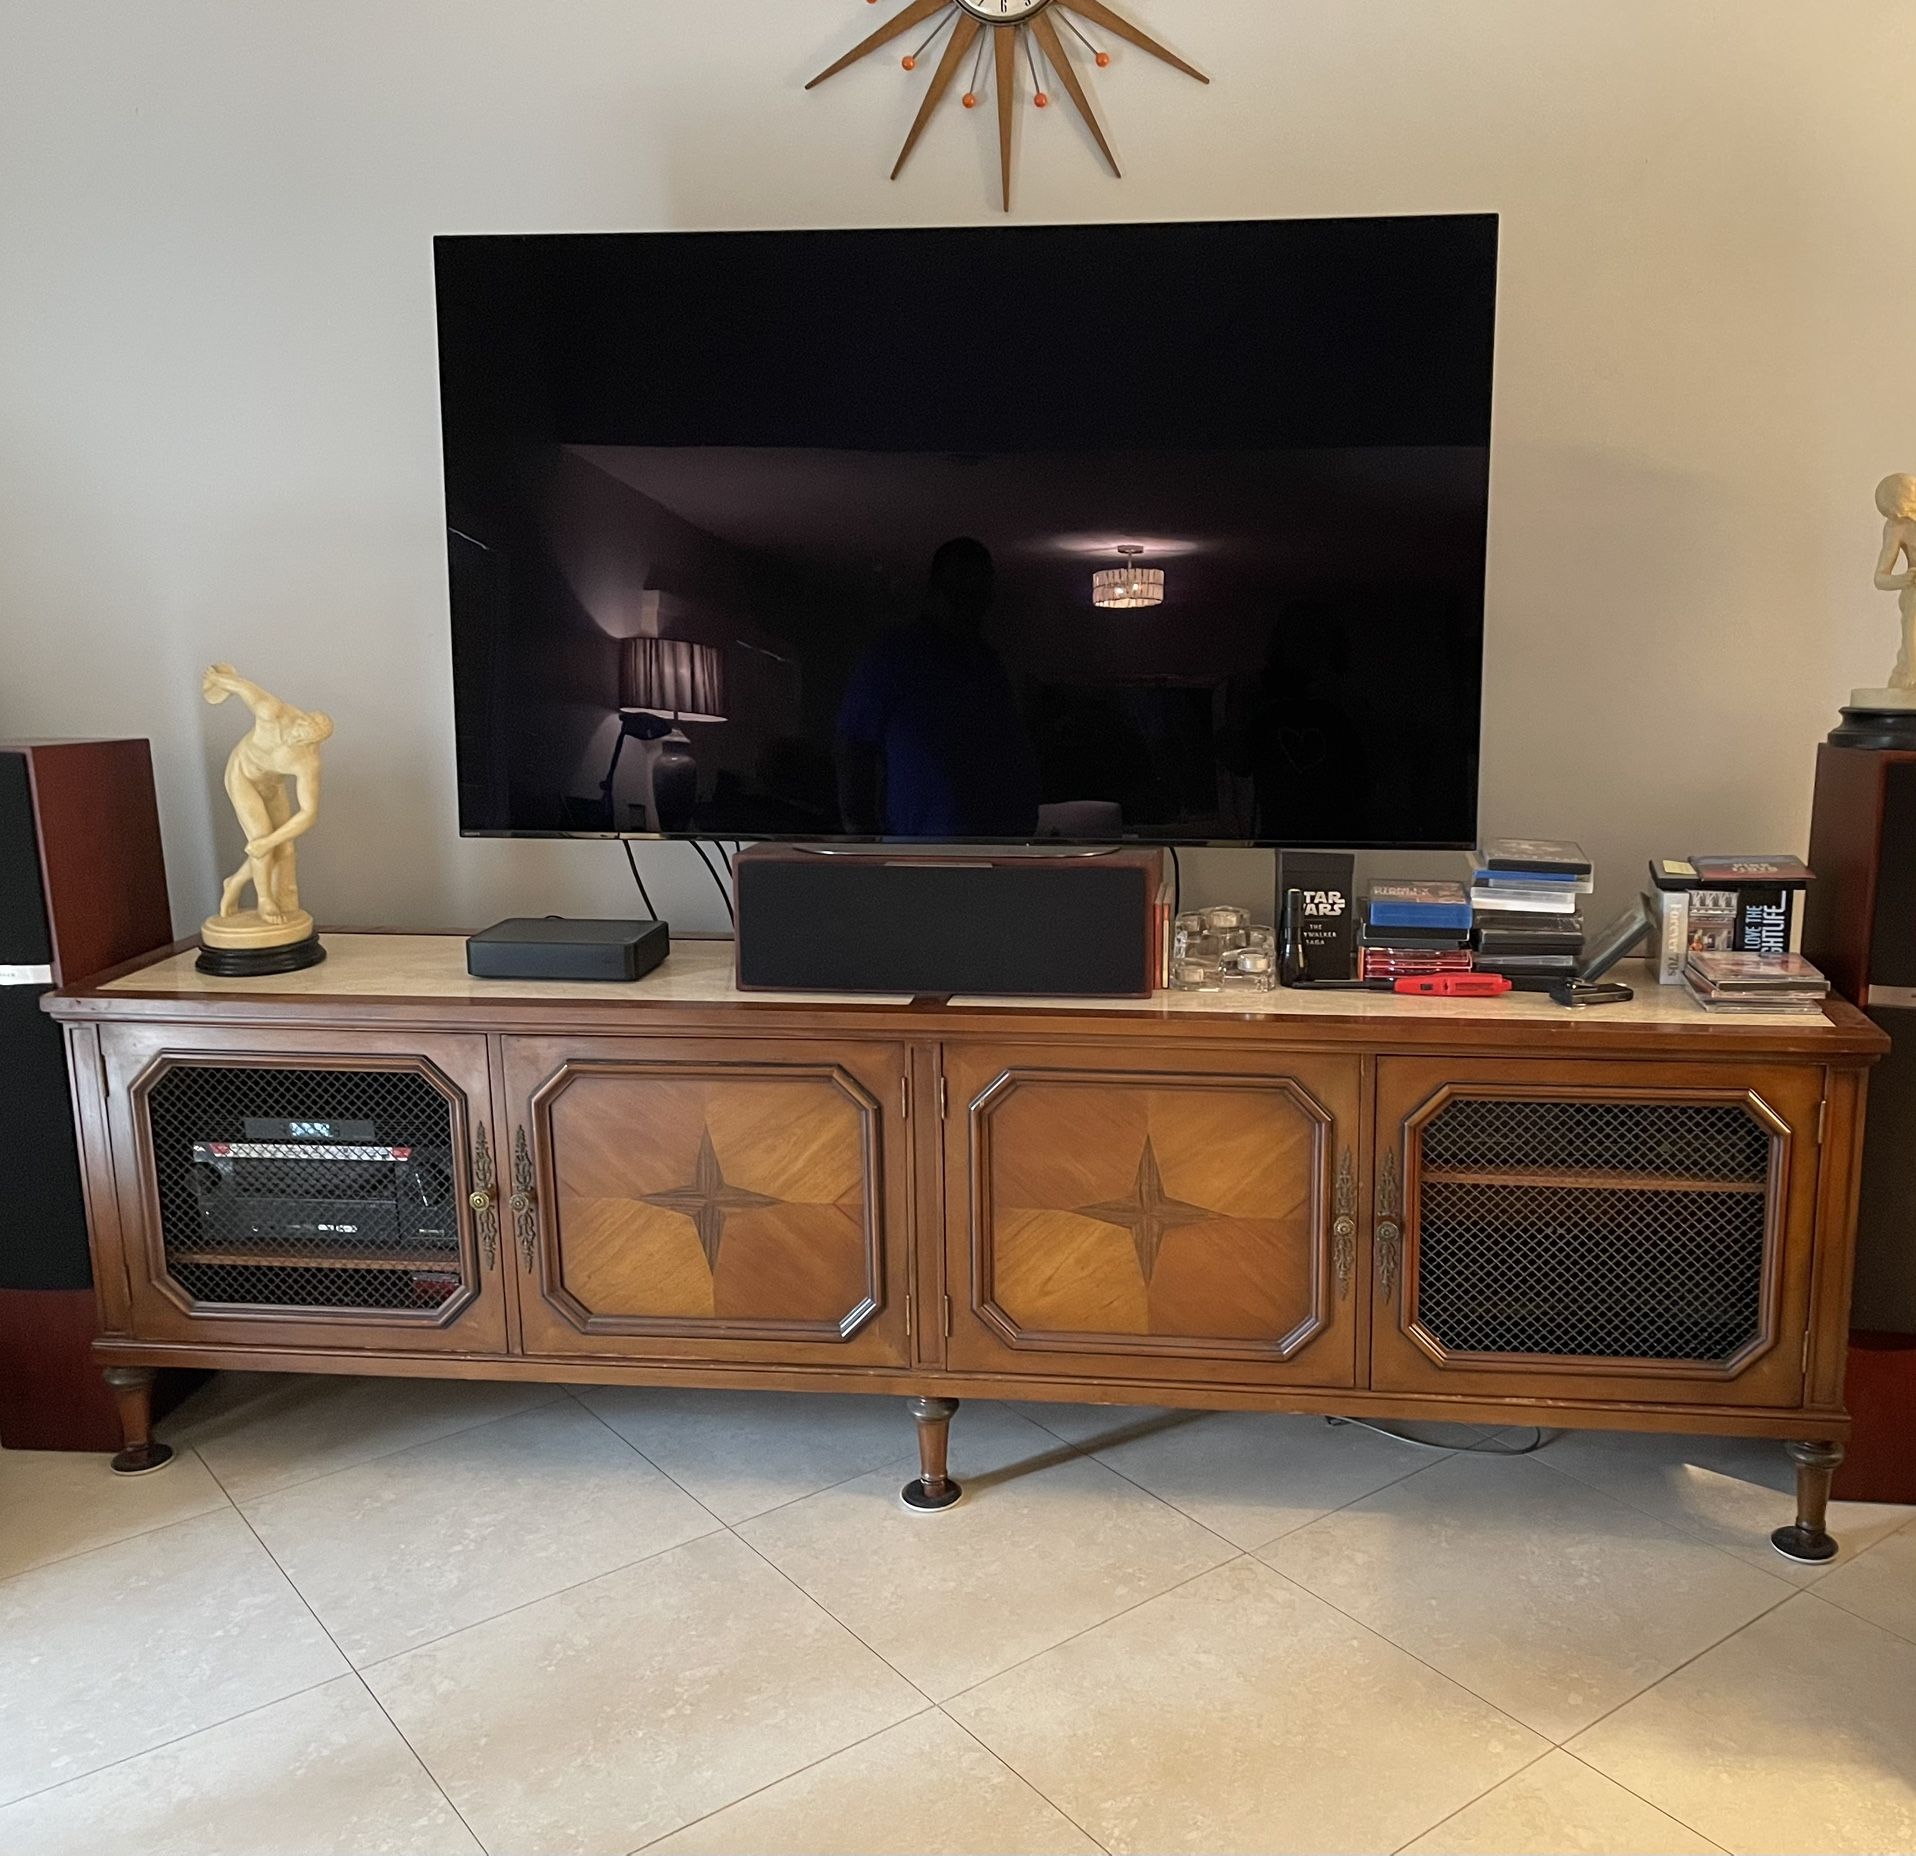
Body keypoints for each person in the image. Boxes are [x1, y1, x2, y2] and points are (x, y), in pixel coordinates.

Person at [836, 538, 1039, 838]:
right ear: (934, 591)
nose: (967, 608)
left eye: (977, 597)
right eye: (957, 594)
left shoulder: (988, 664)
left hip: (1000, 850)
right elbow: (852, 745)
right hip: (921, 852)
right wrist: (862, 837)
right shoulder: (894, 656)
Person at [202, 663, 332, 924]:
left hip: (271, 786)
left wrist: (270, 843)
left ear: (313, 743)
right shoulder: (272, 713)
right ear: (301, 718)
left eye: (305, 739)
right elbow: (242, 686)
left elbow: (308, 814)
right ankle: (265, 900)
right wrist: (217, 679)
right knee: (260, 836)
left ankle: (235, 882)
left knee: (281, 848)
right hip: (243, 776)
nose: (296, 738)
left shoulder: (308, 761)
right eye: (300, 728)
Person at [1874, 474, 1916, 689]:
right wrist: (1903, 579)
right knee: (1913, 618)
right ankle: (1911, 670)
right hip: (1914, 591)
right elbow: (1880, 578)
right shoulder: (1897, 527)